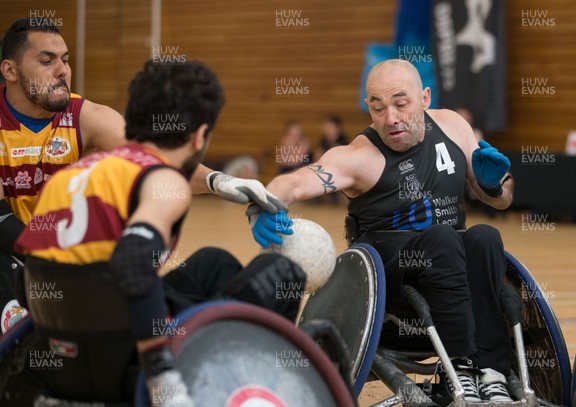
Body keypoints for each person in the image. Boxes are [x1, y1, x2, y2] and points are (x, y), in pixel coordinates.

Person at [13, 60, 306, 406]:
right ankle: (233, 388)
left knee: (214, 263)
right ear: (199, 135)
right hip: (127, 371)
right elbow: (134, 261)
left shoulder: (70, 176)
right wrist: (163, 376)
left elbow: (37, 276)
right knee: (284, 273)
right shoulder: (165, 181)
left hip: (59, 363)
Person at [250, 59, 515, 403]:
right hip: (392, 284)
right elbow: (296, 182)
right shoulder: (361, 156)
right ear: (368, 108)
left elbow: (502, 201)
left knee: (485, 237)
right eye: (378, 107)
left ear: (424, 99)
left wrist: (495, 187)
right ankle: (459, 368)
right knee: (443, 239)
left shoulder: (454, 128)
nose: (390, 118)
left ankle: (491, 370)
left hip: (454, 273)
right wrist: (262, 204)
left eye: (401, 104)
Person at [0, 18, 287, 332]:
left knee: (215, 263)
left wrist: (220, 182)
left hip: (76, 274)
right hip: (22, 260)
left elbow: (158, 159)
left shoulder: (83, 116)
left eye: (65, 60)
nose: (62, 71)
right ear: (10, 71)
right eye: (46, 61)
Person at [314, 115, 348, 204]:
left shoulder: (343, 141)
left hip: (340, 172)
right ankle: (315, 197)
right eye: (326, 126)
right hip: (325, 170)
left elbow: (339, 160)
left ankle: (335, 197)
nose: (327, 129)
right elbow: (317, 158)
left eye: (330, 126)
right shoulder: (324, 141)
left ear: (338, 128)